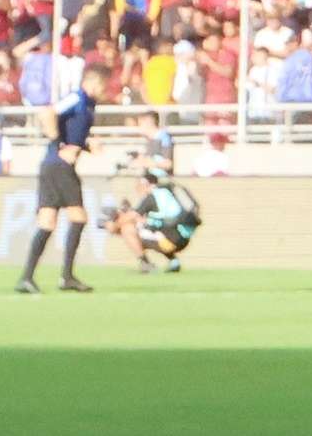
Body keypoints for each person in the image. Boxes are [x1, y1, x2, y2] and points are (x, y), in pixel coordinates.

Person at [18, 53, 97, 293]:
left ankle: (27, 278)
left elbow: (73, 133)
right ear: (93, 82)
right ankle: (66, 276)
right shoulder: (77, 97)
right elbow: (47, 112)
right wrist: (59, 143)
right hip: (59, 166)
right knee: (78, 217)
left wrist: (86, 145)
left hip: (52, 166)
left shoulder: (88, 103)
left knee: (47, 221)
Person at [112, 137, 201, 272]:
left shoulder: (151, 197)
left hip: (171, 239)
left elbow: (130, 217)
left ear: (146, 183)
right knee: (152, 228)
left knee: (127, 229)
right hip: (184, 237)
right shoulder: (169, 190)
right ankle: (174, 262)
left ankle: (145, 263)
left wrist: (114, 226)